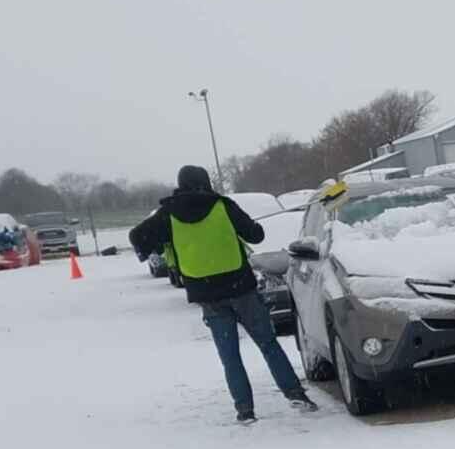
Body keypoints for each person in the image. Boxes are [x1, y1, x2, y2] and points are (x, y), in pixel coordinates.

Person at [130, 166, 316, 423]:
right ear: (205, 182)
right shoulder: (222, 205)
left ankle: (245, 410)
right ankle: (295, 394)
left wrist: (150, 249)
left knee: (230, 356)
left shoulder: (168, 214)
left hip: (207, 295)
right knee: (268, 344)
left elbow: (138, 235)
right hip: (241, 288)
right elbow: (256, 235)